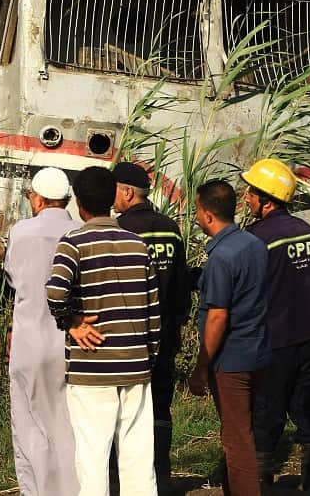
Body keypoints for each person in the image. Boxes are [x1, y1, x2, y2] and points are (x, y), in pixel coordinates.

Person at [46, 166, 161, 496]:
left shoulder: (73, 243)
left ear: (79, 203)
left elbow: (55, 291)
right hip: (136, 364)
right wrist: (148, 355)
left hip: (91, 365)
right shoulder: (138, 245)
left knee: (93, 455)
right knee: (138, 456)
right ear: (113, 198)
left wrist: (73, 323)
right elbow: (154, 310)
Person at [243, 158, 310, 489]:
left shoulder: (256, 239)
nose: (246, 198)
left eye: (251, 193)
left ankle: (260, 483)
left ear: (266, 199)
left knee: (267, 413)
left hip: (274, 340)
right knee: (309, 410)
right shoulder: (306, 232)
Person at [113, 161, 191, 494]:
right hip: (166, 334)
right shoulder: (170, 228)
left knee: (123, 409)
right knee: (160, 405)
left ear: (128, 192)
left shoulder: (120, 230)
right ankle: (161, 474)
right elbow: (181, 286)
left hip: (129, 338)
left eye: (115, 190)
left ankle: (120, 480)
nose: (112, 197)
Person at [188, 179, 270, 496]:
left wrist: (201, 366)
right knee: (245, 429)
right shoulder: (254, 245)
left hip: (232, 359)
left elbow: (218, 316)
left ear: (208, 214)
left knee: (237, 438)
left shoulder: (222, 258)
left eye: (197, 210)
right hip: (259, 350)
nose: (196, 216)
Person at [5, 168, 79, 496]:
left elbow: (12, 278)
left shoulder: (22, 232)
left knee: (29, 423)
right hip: (74, 342)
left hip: (30, 340)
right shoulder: (80, 231)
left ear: (37, 199)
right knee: (68, 424)